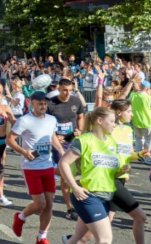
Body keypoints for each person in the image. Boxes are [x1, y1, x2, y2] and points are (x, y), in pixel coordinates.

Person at [58, 106, 122, 244]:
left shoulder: (111, 142)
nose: (114, 125)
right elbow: (63, 163)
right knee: (105, 239)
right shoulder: (83, 141)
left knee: (80, 238)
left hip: (106, 195)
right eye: (111, 121)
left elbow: (110, 169)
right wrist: (75, 187)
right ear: (99, 120)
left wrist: (123, 169)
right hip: (87, 195)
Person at [7, 91, 64, 244]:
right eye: (40, 103)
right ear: (32, 103)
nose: (43, 106)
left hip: (47, 165)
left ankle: (42, 237)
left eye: (45, 103)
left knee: (49, 203)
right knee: (40, 203)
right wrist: (23, 151)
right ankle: (20, 217)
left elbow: (52, 136)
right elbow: (10, 139)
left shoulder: (52, 119)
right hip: (31, 167)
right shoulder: (24, 120)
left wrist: (61, 151)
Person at [47, 78, 85, 222]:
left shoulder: (76, 101)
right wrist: (55, 135)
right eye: (64, 90)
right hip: (60, 144)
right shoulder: (51, 104)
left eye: (70, 90)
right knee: (65, 175)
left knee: (79, 173)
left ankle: (46, 171)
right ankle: (70, 208)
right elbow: (46, 123)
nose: (67, 93)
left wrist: (80, 130)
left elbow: (81, 117)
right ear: (58, 89)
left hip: (75, 142)